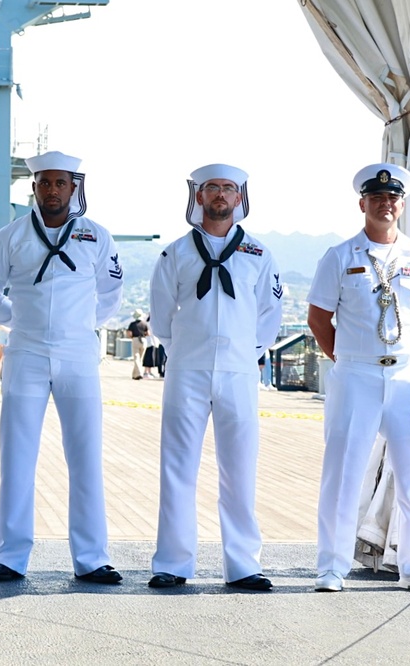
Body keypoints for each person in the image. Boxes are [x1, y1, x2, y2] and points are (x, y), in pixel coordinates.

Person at [0, 150, 124, 584]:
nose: (53, 190)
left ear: (74, 187)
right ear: (34, 188)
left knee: (85, 455)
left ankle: (92, 558)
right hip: (26, 353)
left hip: (78, 355)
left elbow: (111, 294)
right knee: (17, 455)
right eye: (45, 183)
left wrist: (80, 327)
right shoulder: (9, 237)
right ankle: (10, 556)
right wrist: (23, 322)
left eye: (61, 183)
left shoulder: (97, 237)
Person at [147, 163, 282, 591]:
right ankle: (172, 563)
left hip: (239, 372)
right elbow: (161, 317)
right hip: (187, 369)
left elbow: (270, 315)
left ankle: (243, 565)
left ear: (240, 198)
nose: (221, 196)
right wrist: (188, 350)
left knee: (240, 469)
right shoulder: (176, 253)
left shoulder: (259, 254)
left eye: (228, 189)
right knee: (177, 468)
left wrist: (245, 353)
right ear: (198, 197)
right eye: (212, 189)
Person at [307, 162, 410, 594]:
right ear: (362, 203)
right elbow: (319, 317)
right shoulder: (340, 256)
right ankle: (331, 566)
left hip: (407, 375)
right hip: (356, 375)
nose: (386, 204)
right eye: (377, 197)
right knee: (342, 472)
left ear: (401, 205)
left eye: (393, 198)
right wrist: (346, 357)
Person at [127, 310, 149, 379]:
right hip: (143, 340)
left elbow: (129, 333)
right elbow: (148, 333)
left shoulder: (132, 324)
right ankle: (134, 375)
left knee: (136, 358)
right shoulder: (144, 324)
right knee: (140, 359)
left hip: (136, 339)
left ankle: (139, 373)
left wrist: (132, 338)